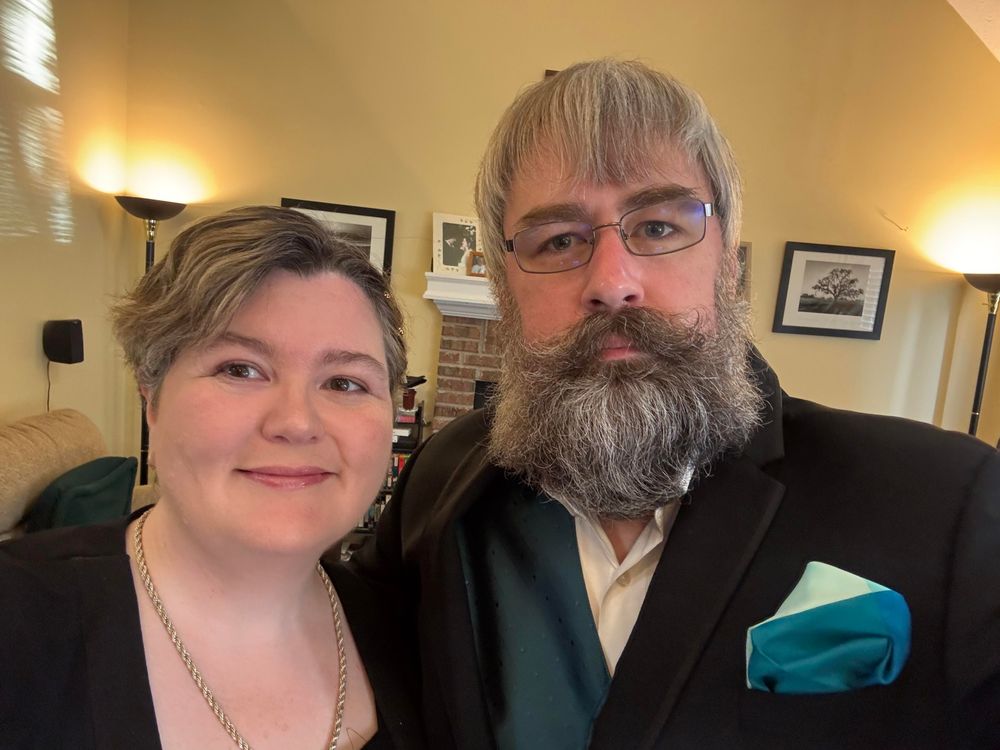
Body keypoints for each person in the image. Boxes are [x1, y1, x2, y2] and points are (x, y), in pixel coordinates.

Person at [354, 60, 1000, 748]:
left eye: (659, 227)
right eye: (560, 240)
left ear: (726, 257)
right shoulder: (443, 481)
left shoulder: (946, 503)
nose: (611, 282)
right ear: (504, 287)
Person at [0, 206, 424, 749]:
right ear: (151, 396)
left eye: (344, 382)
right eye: (239, 369)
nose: (297, 422)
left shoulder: (418, 640)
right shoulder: (17, 623)